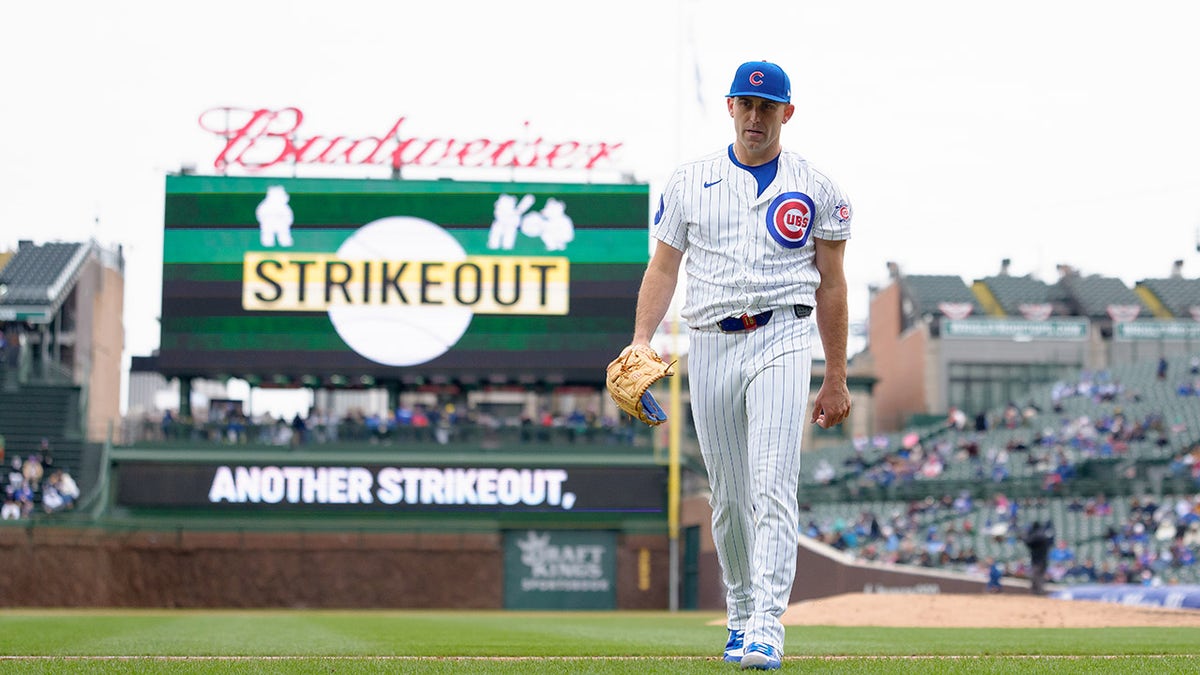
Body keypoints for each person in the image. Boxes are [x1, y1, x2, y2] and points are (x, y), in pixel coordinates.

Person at [623, 60, 852, 670]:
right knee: (727, 497)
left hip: (782, 333)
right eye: (745, 105)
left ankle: (768, 624)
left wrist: (835, 375)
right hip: (710, 341)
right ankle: (741, 608)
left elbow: (832, 285)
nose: (755, 116)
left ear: (787, 113)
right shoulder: (691, 179)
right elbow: (663, 268)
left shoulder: (818, 187)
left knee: (772, 482)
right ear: (729, 107)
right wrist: (642, 339)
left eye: (767, 106)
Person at [1022, 520, 1055, 595]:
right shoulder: (1042, 534)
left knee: (1037, 575)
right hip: (1039, 559)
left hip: (1039, 560)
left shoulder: (1038, 536)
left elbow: (1028, 541)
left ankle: (1037, 592)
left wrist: (1026, 534)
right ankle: (1037, 591)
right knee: (1038, 575)